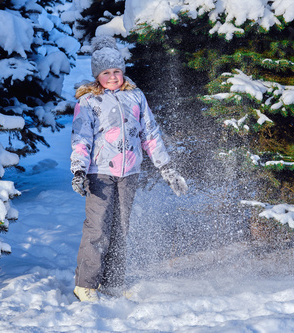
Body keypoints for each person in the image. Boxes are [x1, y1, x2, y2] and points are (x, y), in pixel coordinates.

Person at [70, 35, 188, 302]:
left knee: (121, 229)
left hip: (129, 173)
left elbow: (151, 134)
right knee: (97, 228)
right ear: (97, 75)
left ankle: (112, 282)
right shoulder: (88, 102)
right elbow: (81, 139)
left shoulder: (136, 96)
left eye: (117, 71)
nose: (113, 77)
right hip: (99, 173)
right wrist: (78, 170)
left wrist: (166, 168)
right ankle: (85, 284)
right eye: (106, 72)